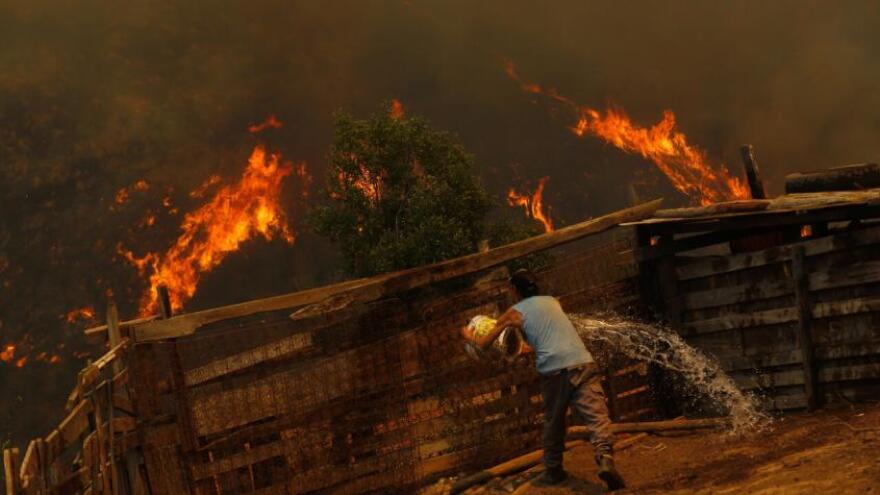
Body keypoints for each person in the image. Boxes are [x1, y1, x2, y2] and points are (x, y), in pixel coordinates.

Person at [466, 268, 626, 490]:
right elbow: (546, 338)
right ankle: (605, 458)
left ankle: (553, 471)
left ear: (514, 290)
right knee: (597, 415)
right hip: (581, 361)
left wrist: (467, 334)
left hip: (554, 371)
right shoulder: (553, 302)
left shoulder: (513, 312)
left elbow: (484, 343)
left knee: (554, 421)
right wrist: (520, 349)